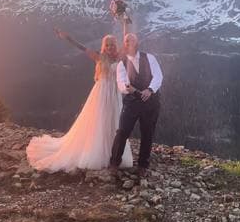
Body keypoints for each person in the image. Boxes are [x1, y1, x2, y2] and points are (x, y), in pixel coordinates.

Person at [26, 31, 133, 173]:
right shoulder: (99, 57)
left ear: (115, 45)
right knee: (100, 122)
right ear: (104, 47)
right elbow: (82, 48)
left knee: (113, 122)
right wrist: (68, 38)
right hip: (101, 94)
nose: (110, 47)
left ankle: (113, 153)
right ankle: (98, 152)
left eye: (112, 45)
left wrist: (125, 21)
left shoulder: (119, 56)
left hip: (114, 94)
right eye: (107, 45)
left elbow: (127, 42)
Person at [110, 33, 163, 176]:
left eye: (131, 39)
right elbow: (121, 83)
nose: (129, 42)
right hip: (132, 103)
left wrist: (150, 90)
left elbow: (158, 76)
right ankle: (114, 163)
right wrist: (130, 90)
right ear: (124, 44)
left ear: (137, 41)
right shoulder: (122, 63)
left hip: (151, 103)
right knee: (122, 132)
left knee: (147, 133)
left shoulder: (149, 57)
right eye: (126, 40)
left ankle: (142, 166)